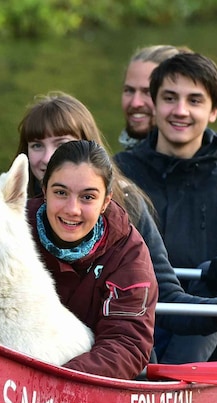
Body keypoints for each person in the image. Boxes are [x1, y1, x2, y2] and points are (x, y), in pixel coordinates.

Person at [17, 92, 217, 364]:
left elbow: (164, 295)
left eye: (62, 143)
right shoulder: (6, 215)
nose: (47, 157)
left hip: (108, 359)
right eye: (36, 145)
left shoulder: (127, 220)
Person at [114, 52, 217, 363]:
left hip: (210, 331)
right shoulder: (120, 171)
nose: (180, 111)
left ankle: (168, 381)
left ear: (213, 110)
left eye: (194, 101)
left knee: (216, 281)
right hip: (137, 318)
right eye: (169, 98)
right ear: (154, 103)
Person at [28, 139, 157, 379]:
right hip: (6, 370)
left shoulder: (129, 254)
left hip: (80, 380)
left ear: (106, 201)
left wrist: (56, 380)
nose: (72, 209)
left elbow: (126, 343)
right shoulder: (8, 228)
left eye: (87, 197)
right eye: (60, 193)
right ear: (44, 191)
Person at [120, 44, 192, 150]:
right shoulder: (117, 161)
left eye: (148, 92)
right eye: (129, 90)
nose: (135, 103)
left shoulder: (208, 162)